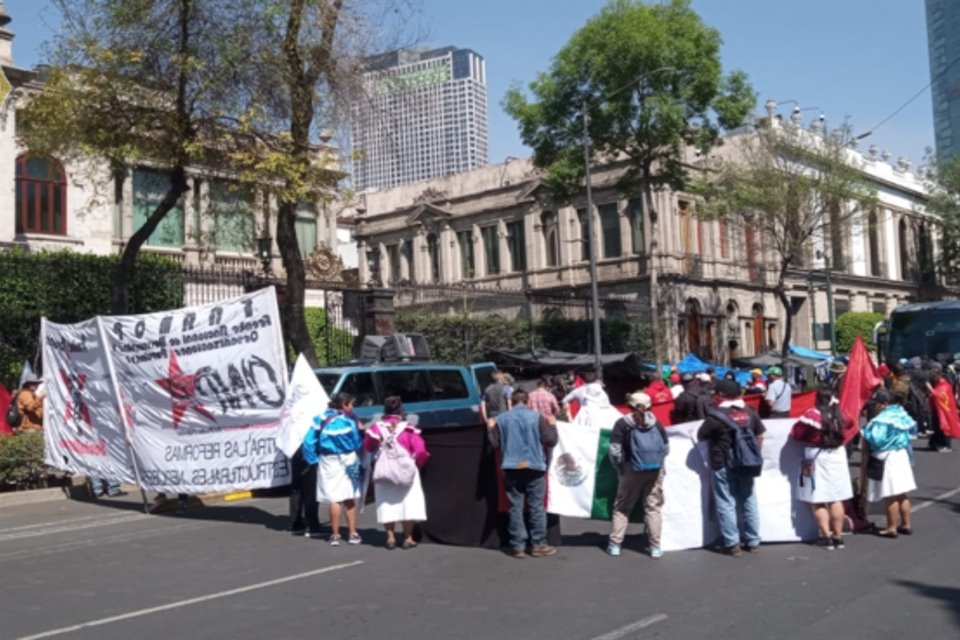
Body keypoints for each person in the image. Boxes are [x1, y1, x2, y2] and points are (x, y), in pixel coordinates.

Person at [697, 379, 766, 557]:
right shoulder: (750, 412)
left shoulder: (715, 416)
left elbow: (701, 436)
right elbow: (760, 435)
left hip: (722, 463)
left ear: (720, 395)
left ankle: (732, 543)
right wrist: (751, 454)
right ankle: (752, 541)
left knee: (726, 502)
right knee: (749, 499)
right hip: (747, 463)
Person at [487, 389, 558, 559]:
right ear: (528, 402)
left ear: (511, 401)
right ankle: (538, 544)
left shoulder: (502, 419)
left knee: (515, 507)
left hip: (511, 467)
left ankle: (518, 545)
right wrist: (553, 425)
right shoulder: (536, 417)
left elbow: (495, 444)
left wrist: (490, 429)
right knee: (536, 507)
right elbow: (551, 441)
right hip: (534, 466)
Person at [789, 389, 854, 550]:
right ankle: (838, 537)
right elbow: (851, 423)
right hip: (837, 455)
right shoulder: (840, 415)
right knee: (836, 497)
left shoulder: (811, 415)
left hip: (817, 456)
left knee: (817, 498)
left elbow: (796, 433)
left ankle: (826, 536)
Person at [606, 392, 668, 559]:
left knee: (622, 507)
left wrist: (620, 468)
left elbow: (614, 450)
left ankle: (615, 544)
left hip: (631, 470)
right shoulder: (657, 424)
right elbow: (666, 448)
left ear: (629, 406)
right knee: (653, 508)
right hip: (655, 470)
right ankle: (655, 547)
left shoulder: (622, 424)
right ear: (650, 406)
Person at [363, 396, 430, 550]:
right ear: (401, 410)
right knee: (408, 503)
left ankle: (390, 538)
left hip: (384, 471)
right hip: (405, 470)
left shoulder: (376, 428)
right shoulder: (408, 428)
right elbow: (420, 450)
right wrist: (418, 463)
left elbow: (367, 446)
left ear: (384, 411)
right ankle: (408, 538)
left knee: (387, 503)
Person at [307, 392, 364, 546]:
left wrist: (313, 460)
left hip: (327, 460)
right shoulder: (350, 420)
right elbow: (357, 442)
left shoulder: (320, 418)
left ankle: (335, 535)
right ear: (345, 405)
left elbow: (308, 442)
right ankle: (353, 533)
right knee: (349, 497)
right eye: (351, 404)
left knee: (334, 499)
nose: (352, 408)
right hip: (349, 458)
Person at [861, 390, 917, 538]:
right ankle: (906, 524)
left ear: (884, 404)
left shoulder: (883, 419)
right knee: (902, 493)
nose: (875, 407)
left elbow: (877, 439)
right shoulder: (901, 413)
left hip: (888, 457)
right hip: (902, 454)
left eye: (877, 404)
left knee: (891, 494)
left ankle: (891, 527)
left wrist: (865, 432)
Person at [288, 405, 325, 538]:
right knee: (311, 489)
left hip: (294, 450)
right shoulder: (314, 413)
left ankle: (296, 523)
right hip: (308, 453)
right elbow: (310, 440)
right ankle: (312, 524)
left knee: (297, 488)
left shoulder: (291, 412)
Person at [927, 371, 957, 453]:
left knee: (944, 428)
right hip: (937, 409)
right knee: (936, 427)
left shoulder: (945, 385)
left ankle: (945, 445)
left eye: (934, 376)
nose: (933, 378)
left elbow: (938, 395)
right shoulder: (939, 384)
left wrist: (930, 388)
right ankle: (934, 443)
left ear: (939, 376)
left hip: (944, 411)